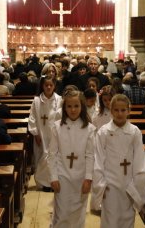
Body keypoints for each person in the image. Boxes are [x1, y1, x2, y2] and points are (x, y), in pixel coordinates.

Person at [92, 94, 145, 228]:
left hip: (128, 185)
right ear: (111, 111)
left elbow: (140, 161)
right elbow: (98, 159)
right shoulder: (103, 132)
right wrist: (101, 184)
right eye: (116, 110)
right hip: (109, 185)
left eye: (123, 110)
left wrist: (136, 186)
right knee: (110, 220)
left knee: (127, 219)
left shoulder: (135, 132)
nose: (120, 113)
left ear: (129, 110)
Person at [47, 90, 95, 228]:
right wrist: (53, 177)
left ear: (82, 107)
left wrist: (88, 178)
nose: (73, 110)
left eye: (76, 106)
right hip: (62, 176)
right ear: (64, 108)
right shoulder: (57, 127)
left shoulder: (90, 129)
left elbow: (90, 155)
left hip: (81, 177)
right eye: (69, 106)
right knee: (62, 212)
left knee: (78, 213)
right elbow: (52, 154)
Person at [28, 76, 62, 189]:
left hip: (54, 134)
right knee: (41, 157)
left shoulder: (59, 100)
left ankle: (52, 181)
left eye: (51, 85)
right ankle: (42, 183)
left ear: (54, 86)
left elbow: (61, 117)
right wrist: (35, 133)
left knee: (53, 157)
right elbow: (32, 118)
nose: (48, 87)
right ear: (42, 86)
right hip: (41, 134)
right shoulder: (37, 101)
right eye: (46, 85)